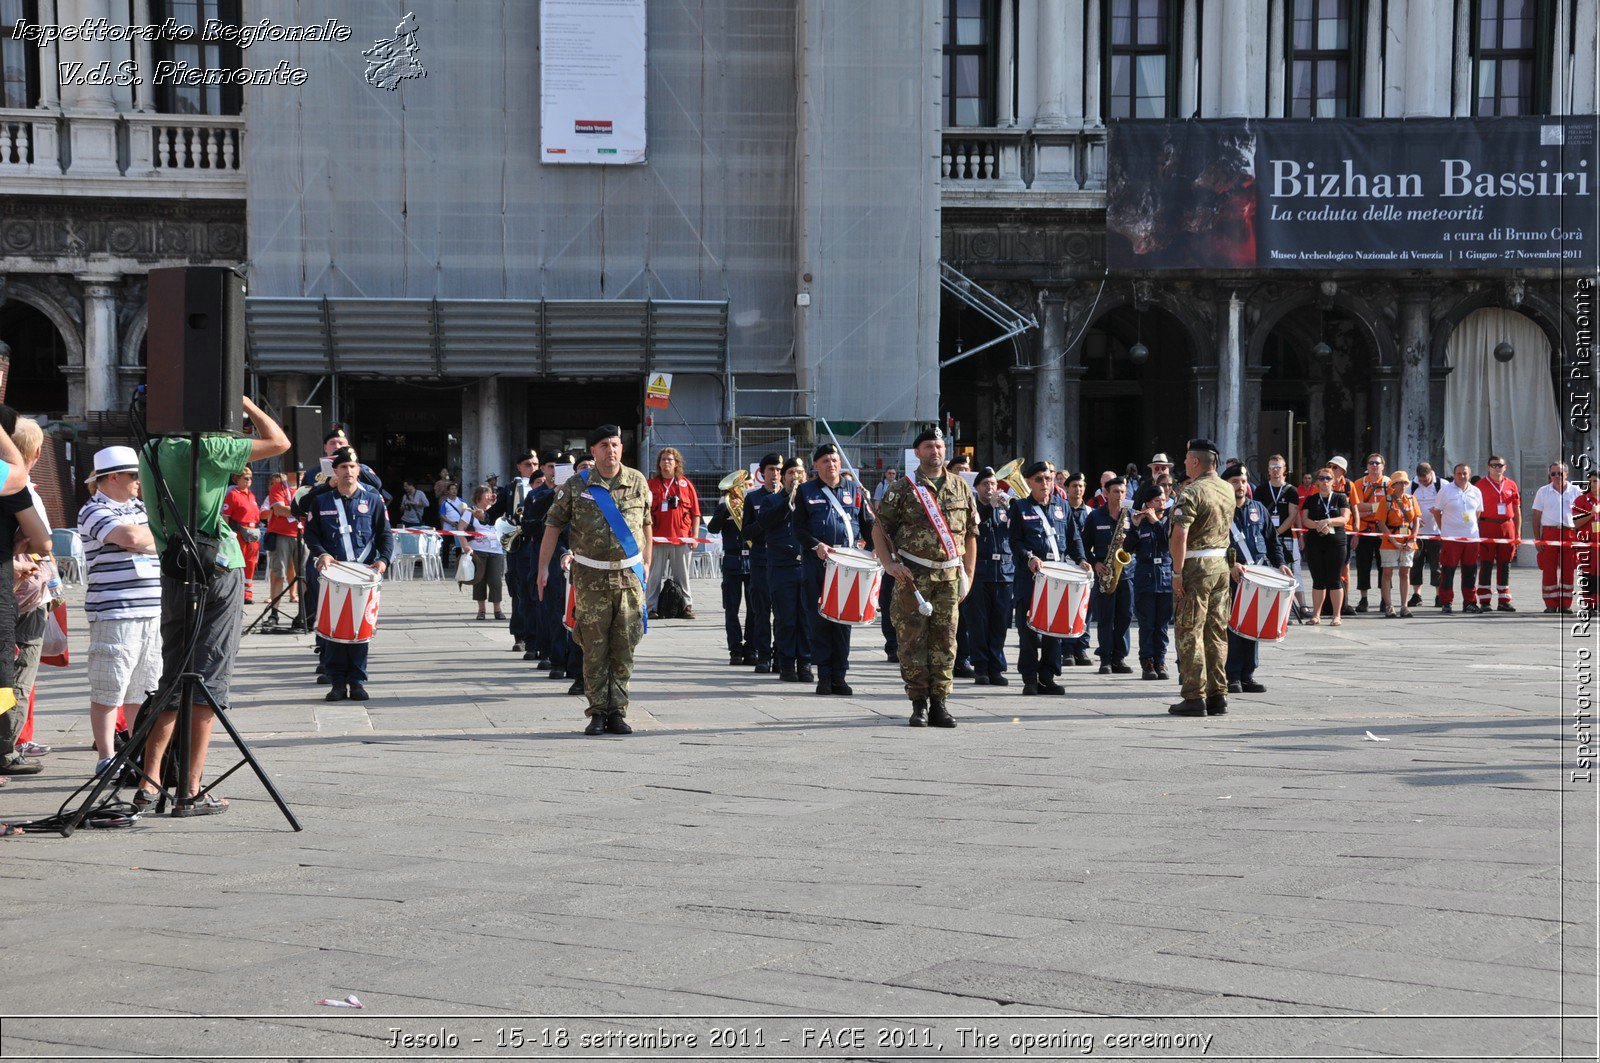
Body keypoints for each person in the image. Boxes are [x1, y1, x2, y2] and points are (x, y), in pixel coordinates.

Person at [139, 395, 289, 814]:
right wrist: (245, 403)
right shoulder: (209, 448)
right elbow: (279, 442)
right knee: (208, 679)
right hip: (217, 568)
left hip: (174, 569)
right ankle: (189, 788)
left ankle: (149, 782)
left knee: (174, 676)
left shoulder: (150, 449)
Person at [538, 425, 652, 736]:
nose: (611, 450)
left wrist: (647, 564)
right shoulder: (576, 485)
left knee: (624, 647)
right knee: (593, 648)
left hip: (629, 579)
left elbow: (646, 523)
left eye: (615, 444)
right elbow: (552, 525)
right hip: (590, 579)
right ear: (594, 450)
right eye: (604, 445)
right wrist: (543, 568)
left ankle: (618, 710)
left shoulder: (637, 481)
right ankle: (598, 711)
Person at [873, 427, 977, 727]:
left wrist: (968, 574)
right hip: (912, 578)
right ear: (917, 452)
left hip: (948, 578)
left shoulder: (961, 487)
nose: (936, 452)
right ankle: (918, 703)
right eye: (929, 446)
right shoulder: (902, 489)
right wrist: (889, 566)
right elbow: (879, 530)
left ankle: (940, 704)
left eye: (940, 446)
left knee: (946, 641)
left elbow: (971, 535)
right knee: (911, 640)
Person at [77, 446, 163, 775]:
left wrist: (145, 537)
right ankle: (106, 756)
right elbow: (130, 536)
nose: (139, 482)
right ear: (112, 477)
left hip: (151, 609)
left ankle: (136, 750)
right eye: (133, 476)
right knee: (109, 685)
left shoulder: (141, 507)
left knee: (144, 685)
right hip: (114, 612)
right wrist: (147, 536)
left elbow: (148, 537)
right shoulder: (93, 510)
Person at [302, 446, 393, 702]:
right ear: (336, 471)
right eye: (344, 467)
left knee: (359, 630)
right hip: (334, 574)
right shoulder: (322, 501)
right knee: (333, 631)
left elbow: (384, 533)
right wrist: (321, 553)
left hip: (364, 574)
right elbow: (311, 533)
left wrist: (384, 560)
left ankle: (357, 681)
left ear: (359, 470)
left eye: (353, 467)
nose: (349, 471)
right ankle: (337, 683)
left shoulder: (373, 500)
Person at [793, 443, 872, 696]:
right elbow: (799, 529)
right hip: (818, 564)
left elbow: (867, 524)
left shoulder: (854, 490)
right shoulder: (806, 492)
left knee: (843, 620)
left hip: (847, 565)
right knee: (819, 620)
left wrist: (873, 549)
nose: (831, 464)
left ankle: (840, 675)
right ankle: (824, 675)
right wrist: (815, 545)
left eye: (835, 460)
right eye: (825, 460)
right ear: (816, 465)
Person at [1167, 439, 1234, 717]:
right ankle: (1218, 693)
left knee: (1189, 630)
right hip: (1221, 564)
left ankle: (1194, 695)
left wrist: (1177, 572)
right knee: (1216, 631)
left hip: (1196, 566)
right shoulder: (1228, 488)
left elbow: (1180, 534)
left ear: (1195, 461)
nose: (1184, 464)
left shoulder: (1192, 491)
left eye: (1186, 459)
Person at [1009, 461, 1084, 696]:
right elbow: (1015, 542)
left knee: (1055, 629)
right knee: (1029, 629)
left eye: (1048, 479)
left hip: (1056, 575)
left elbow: (1074, 538)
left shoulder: (1061, 505)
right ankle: (1030, 678)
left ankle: (1048, 676)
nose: (1045, 483)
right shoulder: (1020, 507)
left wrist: (1081, 559)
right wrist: (1028, 557)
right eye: (1039, 479)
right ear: (1029, 482)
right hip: (1030, 577)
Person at [1223, 463, 1291, 695]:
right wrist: (1229, 564)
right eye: (1234, 482)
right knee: (1233, 626)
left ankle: (1247, 674)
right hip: (1232, 577)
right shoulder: (1221, 510)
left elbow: (1272, 541)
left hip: (1257, 574)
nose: (1240, 486)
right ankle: (1231, 674)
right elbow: (1214, 544)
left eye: (1242, 481)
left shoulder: (1259, 509)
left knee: (1253, 624)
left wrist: (1281, 563)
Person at [753, 457, 813, 683]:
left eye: (799, 472)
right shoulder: (770, 500)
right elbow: (765, 522)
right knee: (786, 617)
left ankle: (805, 662)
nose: (795, 477)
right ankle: (787, 663)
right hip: (781, 567)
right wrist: (788, 499)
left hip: (806, 565)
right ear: (784, 477)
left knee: (806, 617)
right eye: (791, 473)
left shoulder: (811, 499)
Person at [527, 453, 583, 691]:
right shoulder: (545, 496)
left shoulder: (598, 496)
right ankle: (558, 660)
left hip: (588, 560)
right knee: (559, 611)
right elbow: (541, 526)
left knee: (582, 617)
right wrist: (557, 492)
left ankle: (577, 666)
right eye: (580, 469)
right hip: (557, 558)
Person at [487, 450, 539, 652]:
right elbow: (496, 512)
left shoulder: (544, 486)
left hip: (538, 544)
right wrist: (484, 515)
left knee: (536, 591)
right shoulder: (511, 488)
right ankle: (520, 635)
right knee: (518, 590)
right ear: (519, 466)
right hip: (518, 546)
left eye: (535, 464)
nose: (532, 468)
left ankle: (536, 633)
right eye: (528, 464)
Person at [966, 468, 1014, 687]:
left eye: (993, 484)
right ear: (977, 487)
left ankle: (996, 666)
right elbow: (972, 525)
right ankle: (981, 667)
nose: (990, 488)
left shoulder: (1005, 506)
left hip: (1003, 572)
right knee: (979, 622)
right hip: (980, 572)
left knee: (1000, 623)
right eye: (985, 484)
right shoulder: (973, 506)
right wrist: (989, 507)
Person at [1084, 476, 1135, 675]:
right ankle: (1105, 658)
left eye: (1123, 492)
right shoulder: (1095, 516)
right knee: (1105, 618)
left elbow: (1138, 544)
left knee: (1125, 616)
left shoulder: (1130, 516)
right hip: (1104, 572)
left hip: (1126, 573)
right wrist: (1095, 563)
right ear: (1106, 493)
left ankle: (1119, 658)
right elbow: (1083, 545)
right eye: (1116, 492)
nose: (1120, 496)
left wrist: (1129, 540)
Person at [646, 447, 701, 620]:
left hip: (681, 538)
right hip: (656, 539)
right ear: (659, 463)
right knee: (654, 576)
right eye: (663, 459)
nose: (666, 462)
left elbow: (696, 514)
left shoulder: (685, 484)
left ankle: (686, 606)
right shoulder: (651, 484)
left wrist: (695, 537)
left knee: (683, 576)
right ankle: (651, 608)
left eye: (670, 459)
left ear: (677, 463)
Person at [707, 471, 755, 666]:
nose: (746, 489)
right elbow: (712, 529)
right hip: (732, 561)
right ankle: (735, 650)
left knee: (755, 609)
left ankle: (751, 649)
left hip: (752, 562)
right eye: (744, 485)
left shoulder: (757, 504)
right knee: (731, 609)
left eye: (749, 485)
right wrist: (727, 510)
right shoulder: (724, 504)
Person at [1129, 483, 1173, 681]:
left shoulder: (1170, 521)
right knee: (1147, 625)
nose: (1161, 503)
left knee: (1162, 625)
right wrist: (1135, 526)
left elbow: (1169, 543)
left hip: (1165, 578)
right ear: (1147, 503)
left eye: (1163, 499)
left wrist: (1156, 522)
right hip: (1145, 578)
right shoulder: (1141, 523)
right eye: (1157, 500)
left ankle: (1160, 661)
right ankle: (1147, 662)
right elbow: (1127, 548)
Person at [742, 454, 782, 673]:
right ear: (762, 473)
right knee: (761, 611)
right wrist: (763, 522)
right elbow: (745, 531)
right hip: (760, 559)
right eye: (771, 470)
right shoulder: (753, 498)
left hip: (782, 561)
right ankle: (763, 655)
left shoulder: (789, 497)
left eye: (778, 469)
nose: (775, 474)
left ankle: (780, 654)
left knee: (782, 612)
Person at [1300, 467, 1350, 626]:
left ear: (1333, 481)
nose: (1324, 481)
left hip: (1336, 542)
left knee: (1335, 579)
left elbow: (1344, 518)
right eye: (1321, 478)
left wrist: (1328, 521)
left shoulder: (1340, 498)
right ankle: (1316, 615)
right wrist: (1317, 525)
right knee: (1318, 580)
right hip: (1315, 542)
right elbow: (1304, 519)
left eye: (1328, 478)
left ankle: (1337, 615)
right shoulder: (1311, 499)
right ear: (1317, 482)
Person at [1432, 463, 1485, 614]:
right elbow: (1436, 511)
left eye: (1465, 473)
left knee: (1470, 571)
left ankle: (1469, 602)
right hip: (1451, 538)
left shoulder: (1476, 491)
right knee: (1448, 571)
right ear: (1454, 475)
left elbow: (1478, 513)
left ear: (1469, 474)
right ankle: (1446, 602)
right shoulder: (1446, 490)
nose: (1462, 476)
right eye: (1459, 473)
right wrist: (1444, 529)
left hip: (1471, 538)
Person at [1532, 461, 1582, 613]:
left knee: (1569, 569)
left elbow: (1582, 515)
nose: (1557, 476)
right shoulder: (1543, 491)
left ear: (1566, 474)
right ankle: (1550, 604)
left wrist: (1580, 538)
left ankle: (1566, 604)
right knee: (1549, 569)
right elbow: (1536, 516)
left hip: (1569, 533)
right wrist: (1538, 538)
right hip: (1549, 532)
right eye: (1553, 474)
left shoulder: (1576, 491)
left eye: (1560, 473)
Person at [1476, 455, 1521, 611]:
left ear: (1505, 467)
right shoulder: (1480, 485)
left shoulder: (1511, 485)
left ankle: (1504, 599)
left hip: (1507, 527)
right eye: (1494, 465)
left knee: (1505, 564)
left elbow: (1516, 510)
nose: (1497, 468)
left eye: (1500, 465)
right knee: (1486, 563)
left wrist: (1518, 533)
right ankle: (1484, 600)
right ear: (1488, 467)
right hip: (1487, 525)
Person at [1259, 455, 1303, 612]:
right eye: (1272, 467)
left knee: (1286, 569)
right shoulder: (1261, 490)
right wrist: (1269, 533)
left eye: (1278, 466)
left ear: (1284, 469)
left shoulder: (1291, 490)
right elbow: (1258, 515)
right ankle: (1269, 607)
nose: (1275, 470)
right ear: (1268, 470)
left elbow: (1292, 515)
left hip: (1285, 535)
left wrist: (1276, 532)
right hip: (1265, 536)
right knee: (1268, 570)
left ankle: (1287, 608)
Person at [1374, 470, 1421, 618]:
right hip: (1390, 541)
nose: (1402, 485)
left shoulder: (1412, 499)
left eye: (1404, 482)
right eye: (1399, 482)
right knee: (1387, 573)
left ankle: (1404, 606)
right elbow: (1381, 523)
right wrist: (1393, 541)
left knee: (1405, 573)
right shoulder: (1386, 501)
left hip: (1407, 540)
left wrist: (1413, 538)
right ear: (1393, 485)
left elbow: (1416, 520)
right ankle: (1388, 606)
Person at [1060, 472, 1095, 667]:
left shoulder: (1091, 512)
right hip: (1066, 563)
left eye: (1081, 486)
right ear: (1067, 488)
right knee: (1067, 607)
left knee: (1084, 609)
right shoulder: (1061, 510)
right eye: (1074, 485)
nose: (1078, 489)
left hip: (1085, 564)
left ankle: (1081, 647)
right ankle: (1066, 649)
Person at [1345, 454, 1388, 613]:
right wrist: (1378, 508)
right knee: (1363, 565)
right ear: (1367, 466)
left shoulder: (1388, 483)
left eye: (1377, 463)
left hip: (1382, 530)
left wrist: (1369, 509)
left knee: (1385, 566)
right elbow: (1358, 507)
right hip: (1364, 530)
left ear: (1383, 466)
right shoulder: (1359, 483)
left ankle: (1385, 598)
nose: (1374, 465)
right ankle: (1363, 599)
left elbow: (1389, 507)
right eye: (1371, 463)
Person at [460, 485, 506, 621]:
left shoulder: (497, 511)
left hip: (496, 550)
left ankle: (497, 609)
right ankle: (481, 610)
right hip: (478, 550)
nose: (489, 496)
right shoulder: (470, 512)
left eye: (490, 494)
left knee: (496, 581)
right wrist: (466, 546)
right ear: (478, 497)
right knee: (479, 580)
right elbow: (460, 529)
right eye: (486, 494)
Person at [265, 466, 303, 625]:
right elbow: (279, 510)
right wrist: (303, 511)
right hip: (281, 535)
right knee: (278, 574)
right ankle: (274, 614)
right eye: (298, 470)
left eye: (302, 471)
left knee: (305, 576)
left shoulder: (307, 488)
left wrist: (292, 510)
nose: (301, 473)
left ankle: (304, 613)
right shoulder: (278, 486)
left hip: (304, 535)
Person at [221, 468, 262, 604]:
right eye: (245, 478)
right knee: (238, 563)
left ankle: (247, 593)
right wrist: (228, 536)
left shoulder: (252, 496)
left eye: (250, 478)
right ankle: (235, 592)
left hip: (253, 534)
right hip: (239, 533)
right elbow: (225, 516)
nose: (248, 481)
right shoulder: (232, 495)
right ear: (237, 479)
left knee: (251, 563)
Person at [1409, 462, 1444, 607]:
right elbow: (1405, 505)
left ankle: (1439, 595)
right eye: (1421, 480)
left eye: (1426, 480)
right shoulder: (1411, 486)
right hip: (1418, 533)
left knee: (1437, 565)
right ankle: (1417, 595)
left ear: (1431, 473)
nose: (1423, 482)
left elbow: (1450, 505)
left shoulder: (1442, 484)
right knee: (1416, 564)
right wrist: (1413, 519)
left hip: (1437, 532)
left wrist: (1439, 513)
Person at [1326, 456, 1356, 616]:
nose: (1331, 468)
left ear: (1343, 470)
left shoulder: (1349, 485)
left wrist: (1356, 532)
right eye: (1329, 465)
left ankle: (1345, 602)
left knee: (1345, 567)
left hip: (1345, 530)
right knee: (1327, 566)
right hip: (1326, 530)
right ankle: (1327, 603)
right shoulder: (1323, 482)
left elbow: (1355, 508)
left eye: (1335, 467)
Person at [1573, 471, 1600, 613]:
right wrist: (1591, 513)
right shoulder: (1581, 500)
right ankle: (1589, 603)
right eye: (1590, 481)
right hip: (1586, 544)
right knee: (1588, 574)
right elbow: (1576, 523)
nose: (1592, 484)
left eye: (1596, 481)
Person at [437, 481, 467, 569]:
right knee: (446, 545)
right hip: (448, 527)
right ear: (448, 491)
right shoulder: (445, 502)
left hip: (458, 527)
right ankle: (445, 564)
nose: (454, 491)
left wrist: (461, 523)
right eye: (452, 489)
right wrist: (450, 522)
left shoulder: (461, 501)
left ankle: (458, 563)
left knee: (458, 545)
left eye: (455, 489)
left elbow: (465, 513)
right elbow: (441, 515)